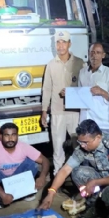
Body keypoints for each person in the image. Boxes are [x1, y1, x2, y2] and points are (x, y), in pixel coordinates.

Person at [39, 119, 109, 218]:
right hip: (104, 177)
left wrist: (95, 182)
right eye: (80, 142)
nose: (82, 146)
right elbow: (65, 169)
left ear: (98, 137)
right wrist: (51, 193)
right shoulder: (83, 146)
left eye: (85, 143)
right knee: (78, 172)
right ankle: (94, 205)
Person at [41, 31, 84, 175]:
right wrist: (44, 111)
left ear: (69, 44)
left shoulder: (79, 63)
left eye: (63, 42)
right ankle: (57, 175)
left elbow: (85, 86)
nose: (60, 46)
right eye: (58, 42)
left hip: (75, 111)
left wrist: (72, 93)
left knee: (78, 144)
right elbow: (46, 89)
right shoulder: (51, 65)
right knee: (57, 147)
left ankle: (78, 175)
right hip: (57, 111)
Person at [0, 122, 50, 209]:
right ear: (0, 136)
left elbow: (45, 160)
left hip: (16, 178)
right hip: (1, 180)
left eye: (13, 135)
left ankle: (24, 193)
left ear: (17, 136)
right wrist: (2, 195)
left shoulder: (22, 146)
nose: (10, 138)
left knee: (32, 163)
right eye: (7, 135)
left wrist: (42, 177)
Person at [77, 42, 109, 133]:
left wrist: (102, 92)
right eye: (92, 52)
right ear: (88, 54)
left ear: (103, 55)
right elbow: (79, 95)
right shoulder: (82, 72)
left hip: (101, 122)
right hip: (85, 120)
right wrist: (69, 94)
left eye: (98, 53)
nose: (94, 55)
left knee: (101, 147)